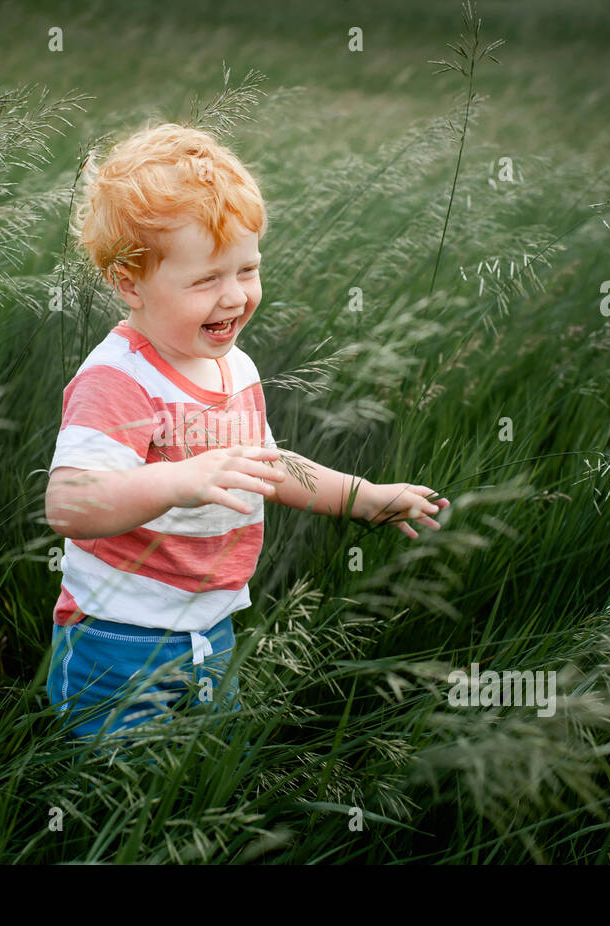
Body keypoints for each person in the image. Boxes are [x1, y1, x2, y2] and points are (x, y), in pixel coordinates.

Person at [44, 122, 449, 743]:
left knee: (204, 772)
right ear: (130, 283)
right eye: (206, 279)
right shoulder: (117, 378)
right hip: (119, 637)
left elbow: (263, 464)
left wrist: (363, 496)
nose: (234, 296)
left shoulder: (234, 366)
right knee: (123, 798)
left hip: (213, 627)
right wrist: (181, 478)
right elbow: (70, 503)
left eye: (247, 270)